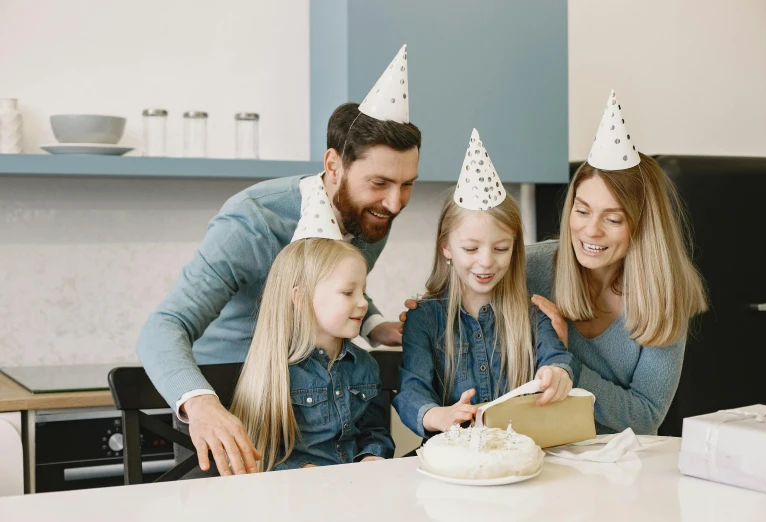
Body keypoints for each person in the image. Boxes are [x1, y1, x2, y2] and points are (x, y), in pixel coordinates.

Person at [136, 45, 419, 475]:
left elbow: (329, 286)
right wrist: (201, 403)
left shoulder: (373, 213)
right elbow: (164, 327)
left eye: (407, 185)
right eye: (380, 182)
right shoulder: (251, 221)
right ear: (333, 165)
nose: (395, 203)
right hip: (232, 406)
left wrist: (375, 322)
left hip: (319, 410)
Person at [526, 90, 708, 434]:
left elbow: (646, 415)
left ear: (642, 226)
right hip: (540, 453)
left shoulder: (665, 293)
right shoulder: (530, 269)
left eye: (612, 219)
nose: (590, 231)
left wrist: (567, 363)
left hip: (624, 464)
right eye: (582, 211)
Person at [393, 129, 574, 438]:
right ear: (446, 248)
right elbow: (412, 390)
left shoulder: (533, 314)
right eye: (471, 249)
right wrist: (439, 415)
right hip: (456, 460)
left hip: (521, 453)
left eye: (501, 248)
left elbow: (556, 357)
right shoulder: (424, 319)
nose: (487, 261)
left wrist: (558, 374)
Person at [230, 234, 394, 471]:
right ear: (301, 297)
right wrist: (303, 470)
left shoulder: (365, 365)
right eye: (349, 293)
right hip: (294, 496)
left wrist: (372, 456)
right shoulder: (275, 371)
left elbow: (374, 431)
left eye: (363, 292)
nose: (363, 303)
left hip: (356, 491)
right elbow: (261, 449)